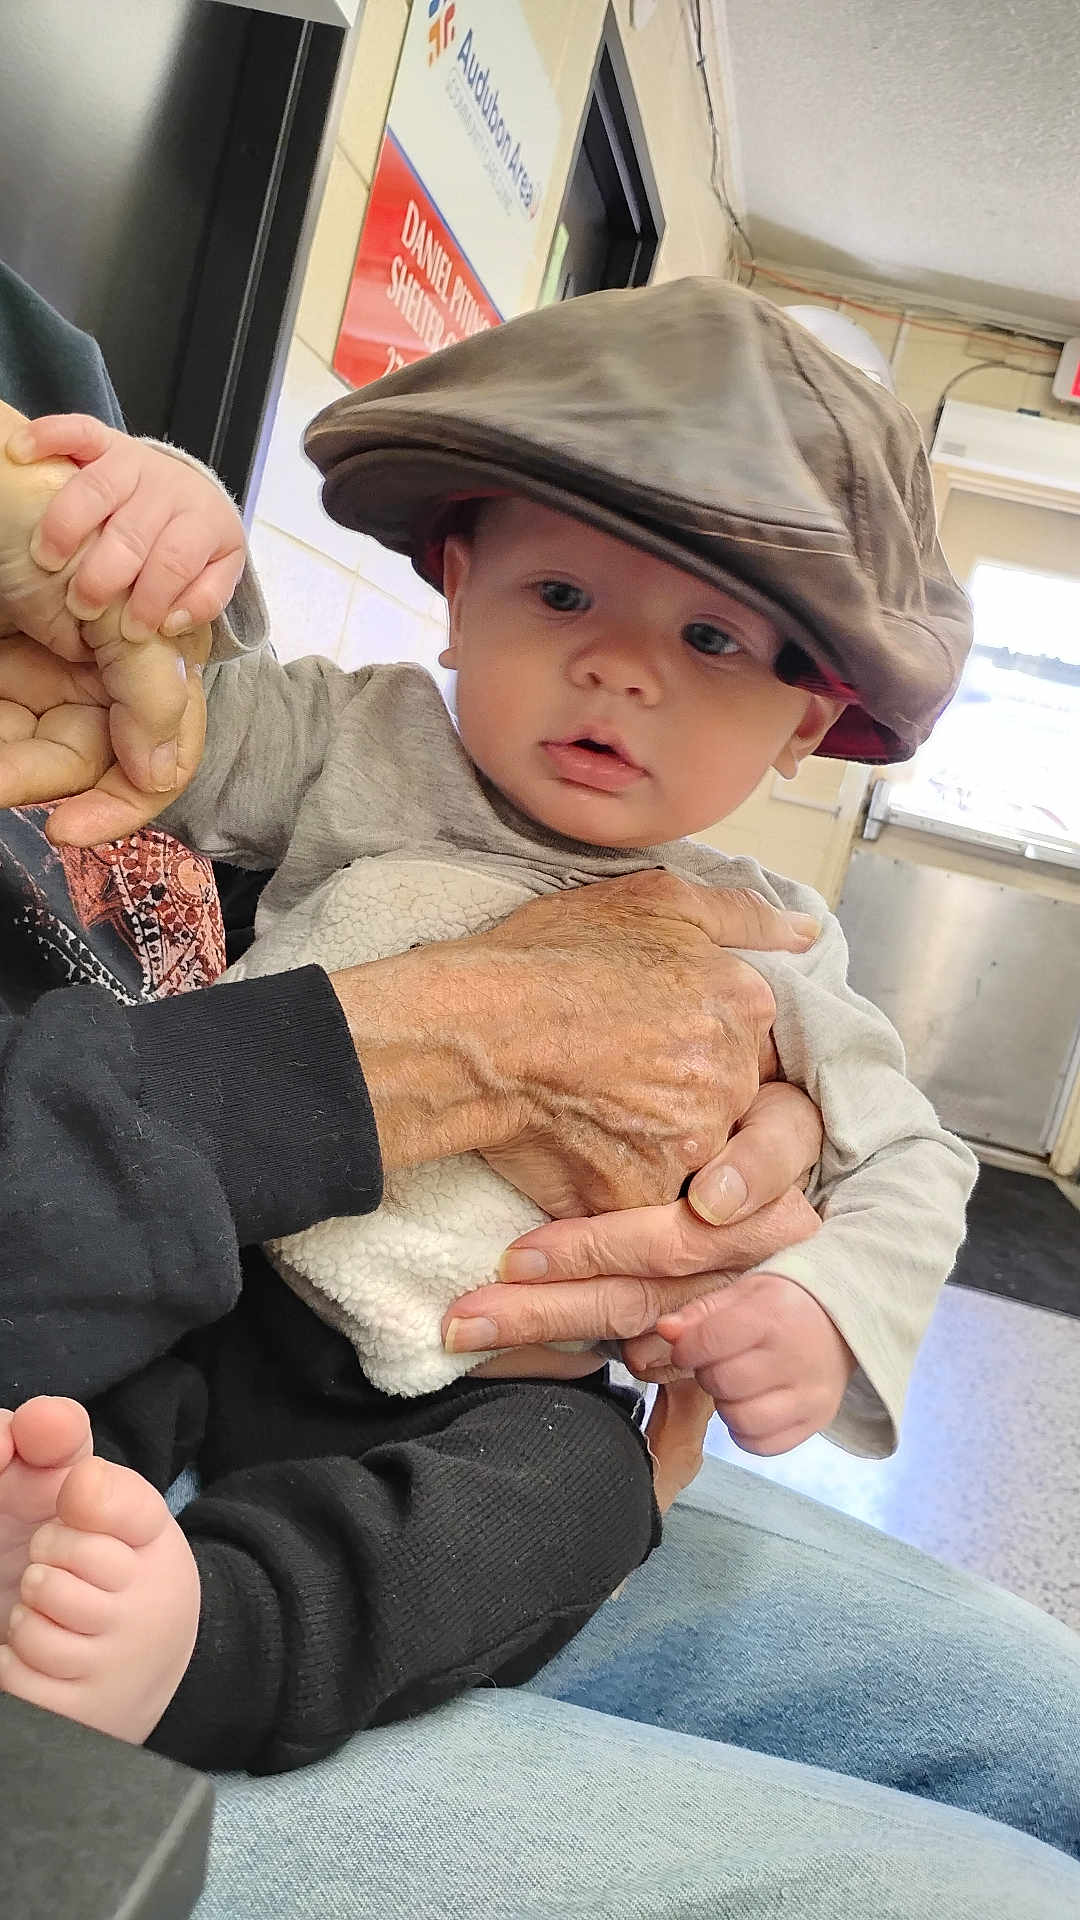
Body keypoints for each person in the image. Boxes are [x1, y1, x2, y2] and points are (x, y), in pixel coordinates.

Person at [0, 288, 1078, 1917]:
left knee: (582, 1499)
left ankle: (202, 1644)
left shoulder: (771, 936)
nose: (617, 669)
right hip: (213, 1284)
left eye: (711, 640)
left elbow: (905, 1158)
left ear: (808, 727)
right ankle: (70, 1571)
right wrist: (162, 571)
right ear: (454, 586)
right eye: (563, 590)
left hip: (484, 1386)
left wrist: (827, 1306)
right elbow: (173, 723)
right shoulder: (357, 744)